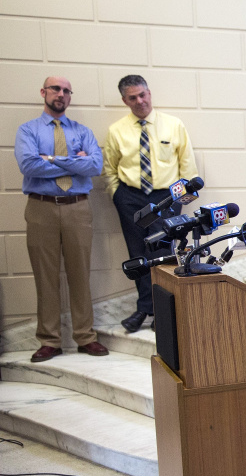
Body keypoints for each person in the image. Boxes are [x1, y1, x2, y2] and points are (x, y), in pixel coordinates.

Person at [15, 76, 108, 363]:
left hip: (77, 207)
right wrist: (72, 161)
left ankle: (85, 336)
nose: (61, 94)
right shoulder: (27, 130)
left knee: (80, 273)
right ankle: (49, 340)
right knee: (45, 276)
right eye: (56, 89)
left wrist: (52, 159)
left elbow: (94, 165)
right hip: (41, 207)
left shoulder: (83, 131)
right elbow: (28, 164)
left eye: (67, 91)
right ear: (43, 92)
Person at [103, 75, 197, 333]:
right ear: (125, 100)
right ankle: (145, 308)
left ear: (149, 93)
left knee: (163, 254)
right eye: (133, 97)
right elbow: (109, 169)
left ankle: (163, 310)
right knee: (137, 254)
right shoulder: (116, 130)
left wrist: (180, 202)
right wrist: (117, 196)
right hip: (130, 197)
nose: (140, 101)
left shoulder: (173, 125)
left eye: (143, 94)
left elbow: (187, 167)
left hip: (165, 197)